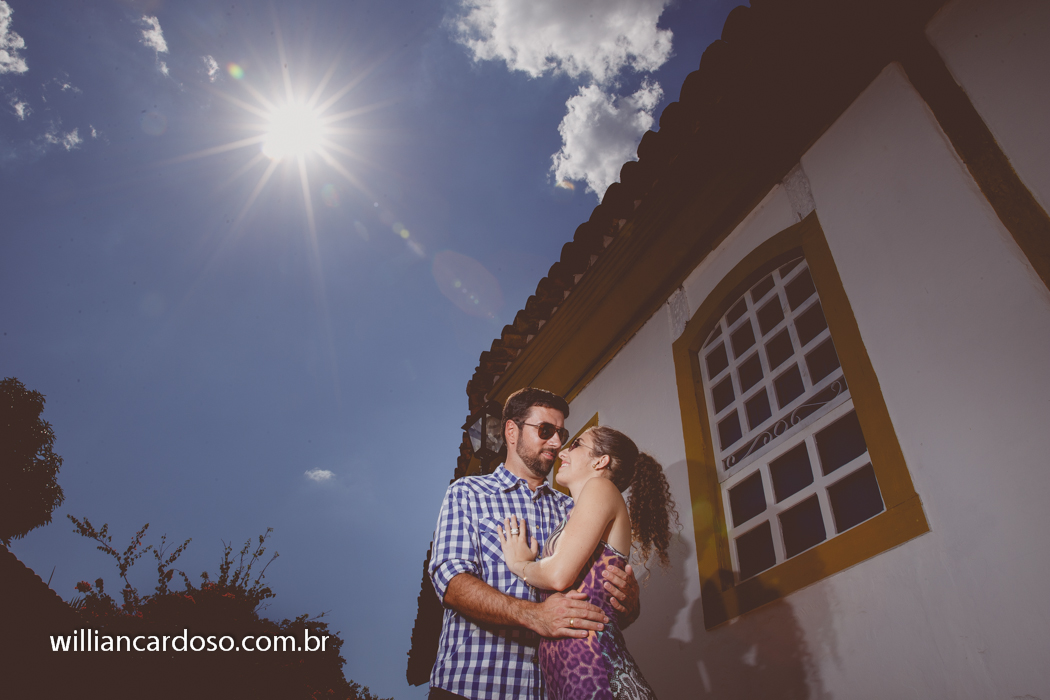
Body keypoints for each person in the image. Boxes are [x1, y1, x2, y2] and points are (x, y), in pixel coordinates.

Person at [428, 388, 641, 700]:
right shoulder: (467, 493)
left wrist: (630, 602)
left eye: (562, 433)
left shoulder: (576, 509)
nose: (556, 443)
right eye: (545, 430)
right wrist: (534, 615)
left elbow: (601, 606)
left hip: (551, 690)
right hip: (472, 686)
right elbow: (450, 580)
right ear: (512, 431)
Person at [497, 426, 677, 700]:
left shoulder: (601, 487)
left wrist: (519, 564)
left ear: (600, 460)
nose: (563, 452)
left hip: (593, 664)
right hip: (568, 669)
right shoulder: (576, 510)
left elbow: (559, 575)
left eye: (576, 444)